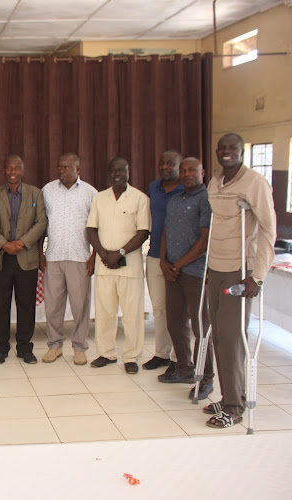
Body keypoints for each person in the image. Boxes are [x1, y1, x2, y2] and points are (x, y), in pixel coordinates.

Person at [203, 133, 276, 428]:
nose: (226, 152)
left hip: (238, 270)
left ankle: (234, 407)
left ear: (242, 152)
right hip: (215, 268)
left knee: (232, 338)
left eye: (232, 148)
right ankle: (231, 394)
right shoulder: (214, 183)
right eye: (222, 148)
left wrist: (257, 277)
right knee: (218, 336)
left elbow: (268, 229)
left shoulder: (254, 182)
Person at [86, 157, 150, 374]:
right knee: (104, 312)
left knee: (132, 314)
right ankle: (106, 353)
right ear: (108, 173)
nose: (117, 174)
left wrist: (120, 253)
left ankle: (131, 356)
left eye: (122, 170)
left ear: (128, 172)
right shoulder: (99, 198)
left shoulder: (140, 198)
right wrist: (104, 255)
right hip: (104, 265)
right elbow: (91, 229)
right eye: (113, 170)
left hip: (129, 266)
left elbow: (143, 232)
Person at [159, 157, 215, 398]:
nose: (187, 173)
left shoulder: (207, 199)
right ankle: (184, 367)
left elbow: (204, 241)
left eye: (192, 169)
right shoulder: (175, 200)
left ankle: (207, 377)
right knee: (175, 322)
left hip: (195, 272)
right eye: (183, 170)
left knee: (201, 326)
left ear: (202, 172)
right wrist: (163, 261)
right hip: (172, 272)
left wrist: (178, 264)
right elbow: (166, 232)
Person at [0, 155, 47, 365]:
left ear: (23, 170)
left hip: (26, 258)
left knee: (26, 305)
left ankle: (24, 348)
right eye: (9, 168)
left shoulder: (35, 193)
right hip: (0, 258)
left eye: (16, 168)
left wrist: (21, 243)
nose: (12, 171)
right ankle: (0, 348)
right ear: (4, 170)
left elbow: (41, 222)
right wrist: (5, 244)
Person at [40, 153, 97, 365]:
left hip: (79, 257)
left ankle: (80, 347)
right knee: (53, 306)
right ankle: (54, 346)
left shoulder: (90, 193)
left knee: (80, 305)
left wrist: (93, 256)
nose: (62, 171)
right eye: (59, 167)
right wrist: (40, 253)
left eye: (66, 167)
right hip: (54, 256)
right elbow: (41, 224)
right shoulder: (47, 190)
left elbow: (98, 227)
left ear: (78, 169)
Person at [144, 150, 185, 373]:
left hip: (179, 260)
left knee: (178, 311)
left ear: (180, 166)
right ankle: (162, 353)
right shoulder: (154, 187)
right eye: (162, 163)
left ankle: (180, 357)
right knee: (159, 308)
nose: (165, 166)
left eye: (171, 163)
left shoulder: (187, 189)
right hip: (154, 256)